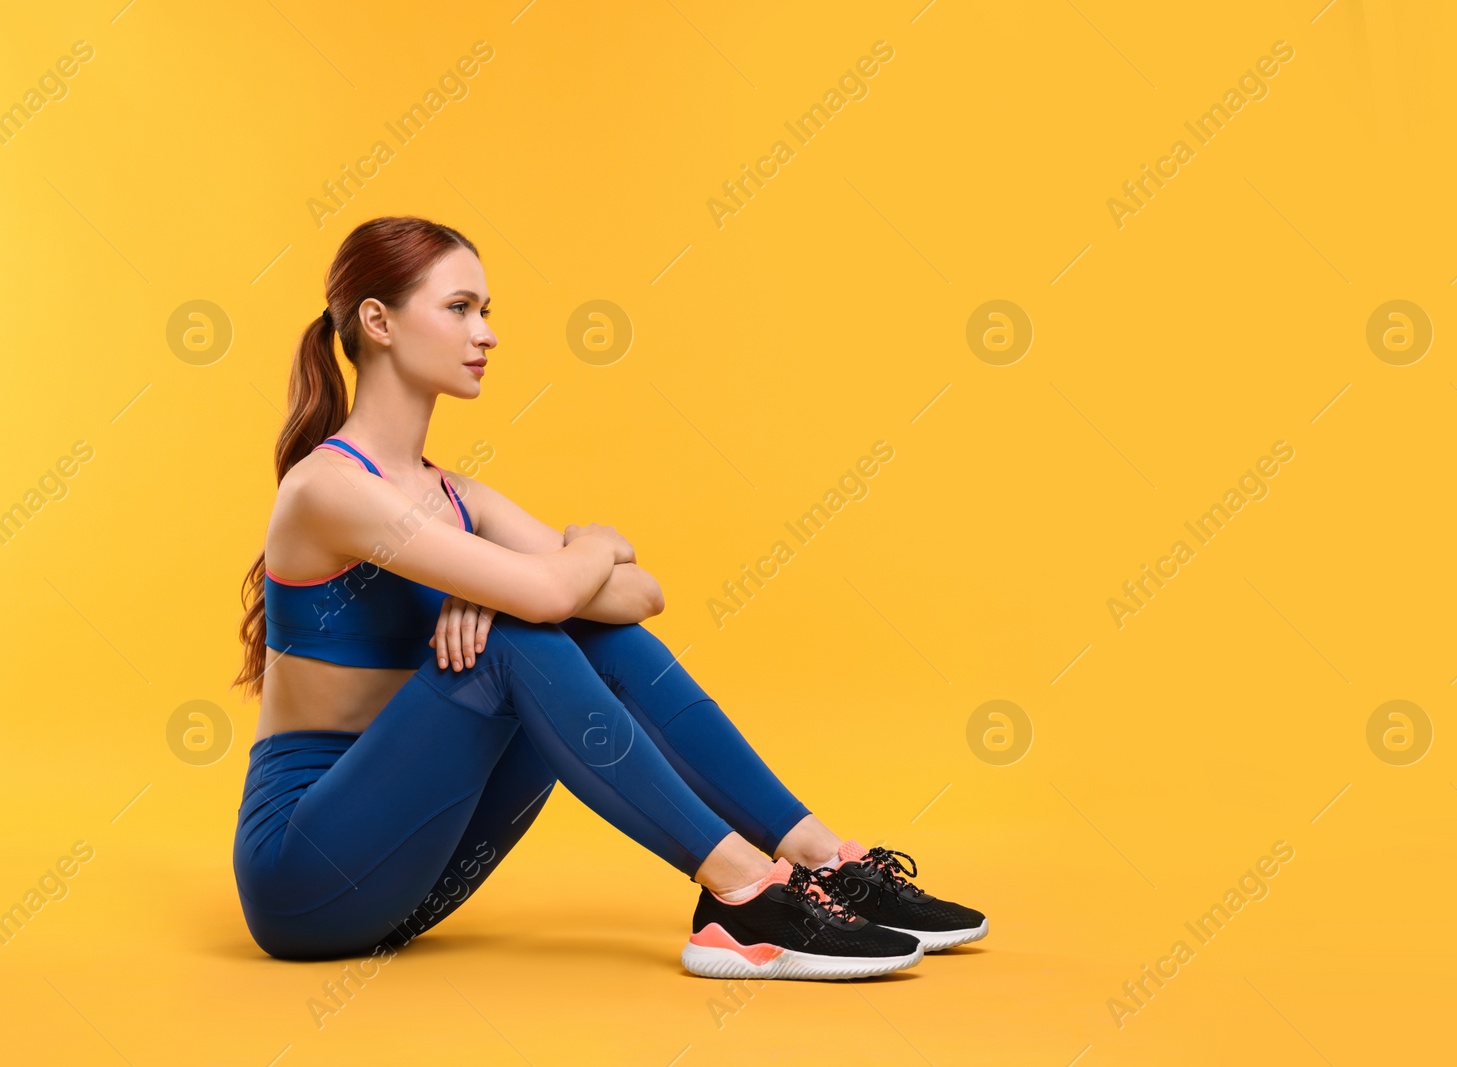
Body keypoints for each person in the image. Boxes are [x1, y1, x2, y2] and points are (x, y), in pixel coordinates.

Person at [230, 215, 987, 980]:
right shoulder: (327, 488)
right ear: (377, 320)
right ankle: (743, 890)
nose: (486, 333)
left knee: (583, 632)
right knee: (522, 633)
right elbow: (554, 586)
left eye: (487, 311)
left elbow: (639, 595)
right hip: (307, 879)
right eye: (460, 308)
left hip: (412, 874)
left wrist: (541, 583)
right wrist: (589, 546)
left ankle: (823, 860)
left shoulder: (461, 496)